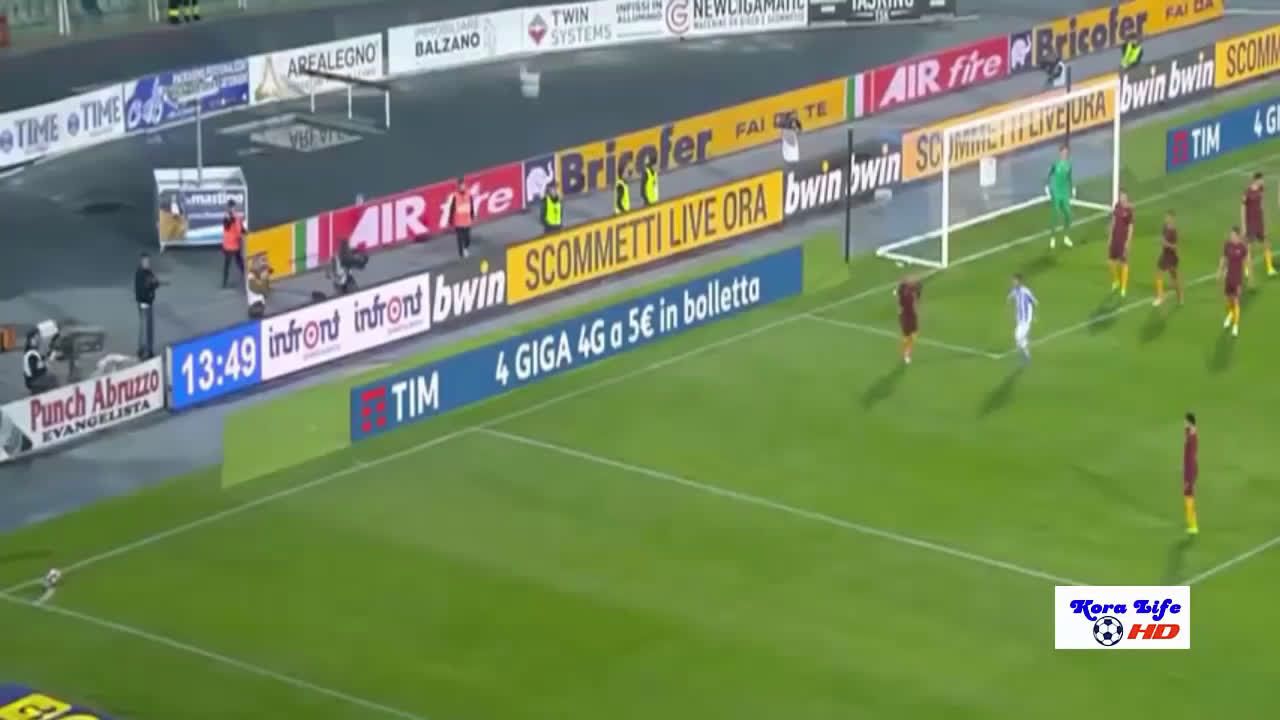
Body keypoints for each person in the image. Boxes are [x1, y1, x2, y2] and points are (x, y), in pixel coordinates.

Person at [1241, 171, 1276, 277]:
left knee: (1266, 242)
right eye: (1261, 180)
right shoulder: (1247, 192)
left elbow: (1262, 204)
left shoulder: (1261, 189)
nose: (1263, 181)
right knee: (1249, 246)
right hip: (1250, 222)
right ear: (1256, 180)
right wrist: (1244, 225)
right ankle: (1247, 269)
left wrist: (1264, 220)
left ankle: (1270, 268)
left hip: (1259, 221)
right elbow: (1242, 208)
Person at [1219, 226, 1248, 337]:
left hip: (1237, 278)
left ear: (1238, 236)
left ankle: (1236, 325)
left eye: (1233, 235)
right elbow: (1223, 258)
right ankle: (1230, 314)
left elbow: (1245, 260)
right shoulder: (1227, 245)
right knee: (1228, 299)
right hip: (1228, 277)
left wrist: (1246, 273)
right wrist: (1220, 271)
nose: (1231, 236)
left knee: (1236, 301)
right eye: (1231, 235)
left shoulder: (1242, 247)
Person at [1047, 145, 1074, 249]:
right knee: (1056, 215)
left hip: (1065, 192)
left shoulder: (1069, 165)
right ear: (1060, 153)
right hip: (1056, 192)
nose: (1065, 154)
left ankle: (1066, 237)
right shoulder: (1055, 164)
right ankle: (1053, 238)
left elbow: (1069, 177)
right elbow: (1049, 174)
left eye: (1066, 153)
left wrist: (1072, 188)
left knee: (1068, 214)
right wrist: (1047, 186)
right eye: (1063, 152)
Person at [1154, 210, 1183, 307]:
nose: (1166, 219)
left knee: (1174, 279)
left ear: (1172, 219)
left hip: (1171, 257)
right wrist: (1161, 243)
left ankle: (1180, 297)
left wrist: (1166, 244)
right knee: (1158, 273)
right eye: (1166, 217)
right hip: (1164, 255)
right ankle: (1160, 297)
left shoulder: (1174, 231)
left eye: (1168, 217)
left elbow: (1176, 246)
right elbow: (1162, 238)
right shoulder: (1165, 227)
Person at [1108, 190, 1134, 297]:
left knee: (1124, 263)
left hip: (1123, 241)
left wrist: (1128, 242)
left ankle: (1123, 288)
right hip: (1115, 239)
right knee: (1111, 262)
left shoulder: (1129, 210)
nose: (1121, 198)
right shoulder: (1117, 206)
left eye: (1123, 196)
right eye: (1120, 196)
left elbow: (1131, 227)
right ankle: (1115, 281)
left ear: (1126, 198)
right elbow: (1113, 221)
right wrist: (1110, 237)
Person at [135, 253, 160, 359]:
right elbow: (141, 290)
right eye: (145, 261)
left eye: (148, 261)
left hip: (149, 303)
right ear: (141, 262)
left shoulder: (148, 272)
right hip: (144, 303)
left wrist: (154, 284)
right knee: (145, 328)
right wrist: (150, 287)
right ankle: (144, 351)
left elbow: (156, 282)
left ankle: (148, 350)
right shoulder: (140, 274)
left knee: (148, 328)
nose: (147, 263)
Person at [1008, 274, 1037, 362]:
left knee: (1018, 337)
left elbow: (1034, 301)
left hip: (1026, 319)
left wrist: (1034, 315)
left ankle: (1025, 354)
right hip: (1019, 319)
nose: (1014, 282)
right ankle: (1027, 355)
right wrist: (1010, 299)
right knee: (1019, 338)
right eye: (1013, 281)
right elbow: (1011, 297)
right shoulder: (1014, 291)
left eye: (1015, 281)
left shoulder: (1026, 291)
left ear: (1020, 281)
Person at [22, 330, 57, 395]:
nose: (39, 339)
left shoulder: (33, 350)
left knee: (52, 377)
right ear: (32, 339)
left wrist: (49, 355)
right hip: (34, 380)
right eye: (37, 337)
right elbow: (34, 370)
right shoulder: (31, 353)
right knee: (53, 379)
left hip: (35, 379)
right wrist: (46, 363)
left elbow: (40, 359)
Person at [897, 274, 921, 364]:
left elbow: (918, 290)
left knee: (913, 335)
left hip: (911, 316)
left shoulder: (909, 292)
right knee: (908, 337)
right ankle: (906, 354)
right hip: (906, 317)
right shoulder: (904, 296)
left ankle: (906, 352)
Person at [447, 178, 474, 258]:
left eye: (463, 186)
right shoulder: (455, 196)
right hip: (458, 221)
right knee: (459, 239)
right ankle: (461, 254)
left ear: (465, 186)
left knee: (467, 238)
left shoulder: (469, 194)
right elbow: (452, 208)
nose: (462, 187)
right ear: (458, 187)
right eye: (460, 186)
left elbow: (471, 205)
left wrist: (472, 214)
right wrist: (450, 219)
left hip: (467, 220)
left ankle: (466, 248)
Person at [221, 199, 245, 288]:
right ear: (228, 208)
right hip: (229, 246)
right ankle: (224, 282)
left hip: (236, 244)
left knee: (239, 260)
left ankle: (245, 275)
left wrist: (246, 232)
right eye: (231, 207)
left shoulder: (237, 217)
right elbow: (226, 226)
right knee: (227, 264)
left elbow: (241, 228)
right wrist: (231, 219)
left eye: (234, 207)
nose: (233, 208)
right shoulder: (226, 217)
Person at [1183, 412, 1199, 535]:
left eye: (1185, 421)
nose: (1184, 423)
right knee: (1188, 496)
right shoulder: (1191, 433)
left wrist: (1189, 477)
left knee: (1189, 496)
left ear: (1189, 422)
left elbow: (1190, 456)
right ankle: (1191, 523)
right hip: (1189, 467)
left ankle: (1193, 525)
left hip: (1190, 469)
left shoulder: (1191, 437)